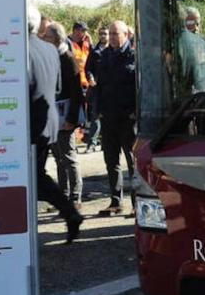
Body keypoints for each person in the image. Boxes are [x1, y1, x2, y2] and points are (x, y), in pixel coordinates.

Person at [27, 7, 84, 242]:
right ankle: (69, 213)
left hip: (31, 125)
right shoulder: (49, 50)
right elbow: (58, 88)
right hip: (48, 123)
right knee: (36, 175)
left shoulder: (21, 50)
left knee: (36, 177)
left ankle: (69, 212)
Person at [93, 20, 137, 215]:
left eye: (115, 34)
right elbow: (98, 87)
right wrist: (98, 110)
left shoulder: (134, 56)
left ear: (126, 35)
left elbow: (141, 87)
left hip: (128, 119)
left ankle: (138, 204)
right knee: (111, 161)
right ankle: (116, 201)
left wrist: (136, 111)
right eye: (109, 34)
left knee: (133, 162)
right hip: (109, 118)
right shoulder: (103, 57)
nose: (111, 37)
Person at [44, 22, 84, 208]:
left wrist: (71, 119)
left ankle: (75, 196)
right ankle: (63, 194)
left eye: (48, 37)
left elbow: (77, 93)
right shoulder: (50, 57)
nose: (45, 40)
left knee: (69, 156)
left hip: (65, 117)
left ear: (57, 39)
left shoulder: (68, 59)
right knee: (58, 157)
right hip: (51, 117)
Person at [82, 25, 110, 151]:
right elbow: (88, 68)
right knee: (96, 116)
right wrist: (91, 78)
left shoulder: (113, 49)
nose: (103, 36)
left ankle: (107, 143)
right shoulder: (94, 51)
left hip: (110, 89)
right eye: (101, 34)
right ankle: (91, 143)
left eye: (105, 33)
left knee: (109, 116)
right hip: (96, 89)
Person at [177, 7, 205, 95]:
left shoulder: (179, 42)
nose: (196, 27)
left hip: (188, 103)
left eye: (196, 23)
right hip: (204, 102)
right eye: (193, 23)